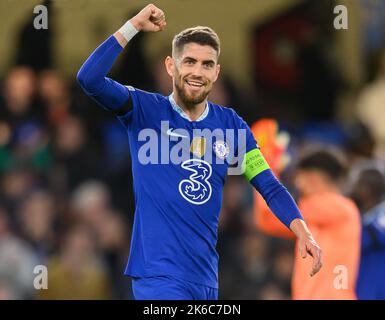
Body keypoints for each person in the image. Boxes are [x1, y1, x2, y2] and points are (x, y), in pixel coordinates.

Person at [77, 3, 322, 300]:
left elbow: (268, 185)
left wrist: (303, 231)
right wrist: (133, 27)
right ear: (171, 66)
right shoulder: (144, 110)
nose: (197, 71)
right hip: (158, 275)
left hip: (206, 279)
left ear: (216, 72)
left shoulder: (232, 125)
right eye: (189, 61)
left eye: (206, 64)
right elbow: (89, 78)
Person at [255, 148, 361, 299]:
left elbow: (271, 214)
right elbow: (266, 221)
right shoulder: (314, 219)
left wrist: (263, 164)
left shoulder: (340, 207)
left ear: (313, 178)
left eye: (299, 177)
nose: (298, 184)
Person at [348, 163, 385, 299]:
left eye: (355, 183)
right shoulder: (363, 216)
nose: (351, 188)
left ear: (367, 188)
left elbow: (373, 237)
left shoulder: (381, 215)